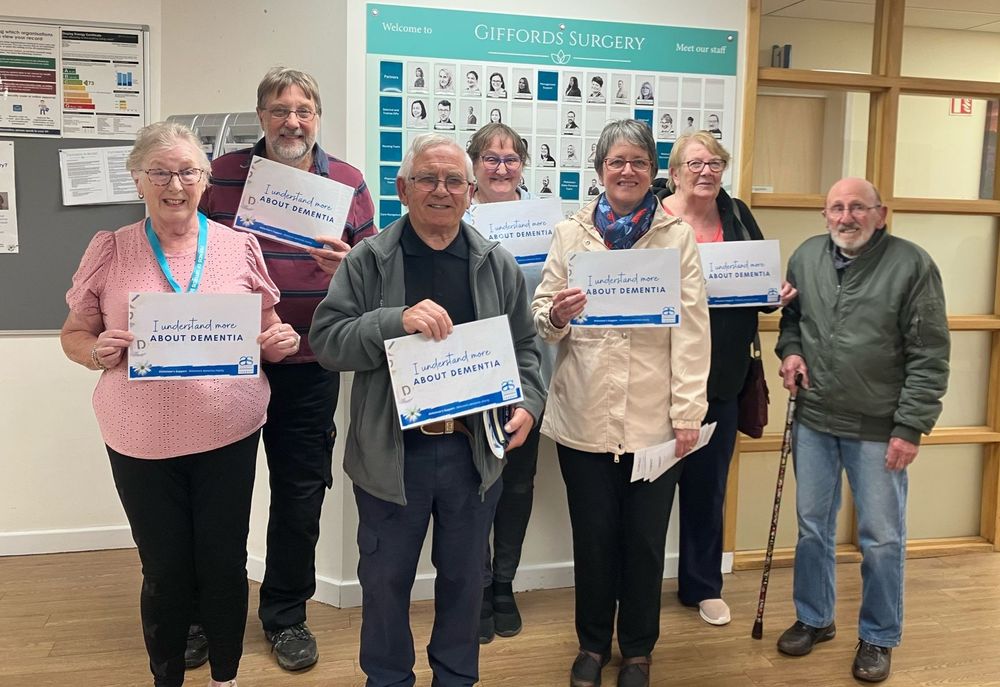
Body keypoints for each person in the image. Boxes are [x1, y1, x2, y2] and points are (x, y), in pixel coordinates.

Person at [61, 121, 300, 687]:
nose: (175, 184)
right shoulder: (111, 249)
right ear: (138, 179)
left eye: (188, 171)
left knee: (223, 564)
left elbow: (269, 328)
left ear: (205, 180)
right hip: (139, 437)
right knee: (164, 570)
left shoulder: (239, 246)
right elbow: (74, 333)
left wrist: (280, 341)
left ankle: (226, 676)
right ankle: (165, 676)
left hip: (228, 432)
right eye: (160, 172)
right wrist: (94, 351)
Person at [309, 133, 545, 687]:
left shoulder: (496, 263)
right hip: (393, 458)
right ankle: (388, 679)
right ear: (403, 188)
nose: (441, 190)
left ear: (469, 192)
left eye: (453, 181)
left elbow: (527, 347)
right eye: (427, 179)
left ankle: (456, 679)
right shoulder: (369, 261)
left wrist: (530, 402)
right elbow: (327, 342)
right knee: (385, 582)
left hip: (471, 453)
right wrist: (394, 320)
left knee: (466, 583)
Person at [198, 67, 376, 673]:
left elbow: (371, 274)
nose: (291, 121)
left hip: (310, 362)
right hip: (228, 360)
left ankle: (286, 615)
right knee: (219, 493)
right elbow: (190, 254)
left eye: (303, 110)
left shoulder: (347, 182)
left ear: (317, 117)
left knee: (301, 494)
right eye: (278, 110)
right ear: (262, 117)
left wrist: (349, 266)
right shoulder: (220, 176)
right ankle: (202, 611)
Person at [532, 119, 710, 687]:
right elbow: (543, 313)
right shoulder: (570, 233)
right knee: (593, 538)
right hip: (583, 415)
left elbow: (692, 331)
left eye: (637, 161)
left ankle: (636, 650)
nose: (626, 171)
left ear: (653, 172)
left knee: (643, 542)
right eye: (616, 162)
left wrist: (687, 413)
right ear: (600, 171)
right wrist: (556, 315)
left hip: (654, 422)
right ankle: (591, 645)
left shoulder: (676, 236)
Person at [775, 177, 950, 683]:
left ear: (881, 213)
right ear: (824, 215)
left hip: (879, 427)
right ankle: (814, 617)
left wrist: (911, 426)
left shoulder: (911, 264)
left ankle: (878, 635)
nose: (846, 217)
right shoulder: (806, 256)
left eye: (858, 207)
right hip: (815, 418)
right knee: (812, 528)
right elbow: (793, 322)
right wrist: (790, 353)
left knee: (881, 538)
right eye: (836, 208)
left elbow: (930, 351)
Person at [655, 132, 796, 628]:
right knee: (647, 494)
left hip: (721, 379)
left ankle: (702, 585)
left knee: (707, 488)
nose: (707, 171)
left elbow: (759, 291)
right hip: (655, 378)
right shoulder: (651, 215)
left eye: (715, 162)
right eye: (696, 163)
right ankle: (638, 586)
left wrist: (773, 293)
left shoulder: (735, 215)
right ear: (674, 172)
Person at [462, 123, 553, 644]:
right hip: (468, 375)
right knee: (474, 485)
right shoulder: (457, 215)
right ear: (475, 165)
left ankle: (504, 585)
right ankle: (474, 586)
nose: (500, 167)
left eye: (510, 158)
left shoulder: (546, 221)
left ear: (523, 164)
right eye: (491, 158)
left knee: (517, 485)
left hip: (527, 373)